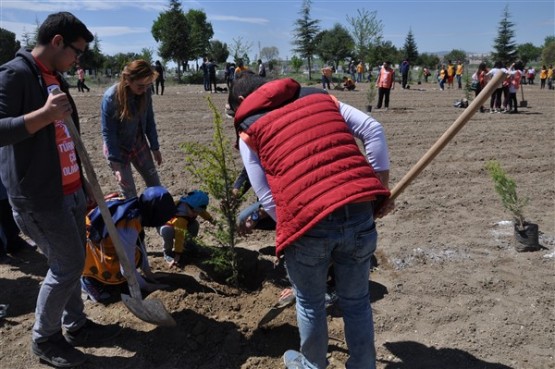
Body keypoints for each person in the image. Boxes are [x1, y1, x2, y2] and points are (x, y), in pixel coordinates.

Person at [229, 73, 394, 369]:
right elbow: (373, 128)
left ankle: (313, 366)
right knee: (356, 300)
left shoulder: (248, 128)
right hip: (358, 209)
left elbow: (266, 197)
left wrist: (294, 233)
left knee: (309, 303)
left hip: (308, 221)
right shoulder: (320, 97)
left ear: (242, 101)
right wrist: (381, 190)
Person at [0, 12, 121, 368]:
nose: (77, 59)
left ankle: (76, 325)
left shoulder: (55, 76)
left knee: (68, 262)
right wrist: (43, 114)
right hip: (38, 195)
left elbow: (64, 135)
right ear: (57, 42)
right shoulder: (15, 74)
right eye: (76, 52)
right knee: (68, 264)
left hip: (69, 188)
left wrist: (81, 181)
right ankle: (44, 338)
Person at [81, 186, 176, 302]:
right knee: (111, 287)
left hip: (106, 241)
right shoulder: (128, 227)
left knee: (136, 257)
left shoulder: (137, 209)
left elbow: (139, 242)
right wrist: (146, 286)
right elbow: (126, 268)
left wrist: (148, 273)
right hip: (88, 248)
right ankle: (90, 281)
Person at [101, 59, 163, 199]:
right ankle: (135, 220)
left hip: (138, 142)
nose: (145, 90)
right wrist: (116, 165)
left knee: (156, 187)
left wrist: (155, 147)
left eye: (148, 85)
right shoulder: (111, 98)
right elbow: (108, 133)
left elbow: (149, 121)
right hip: (118, 148)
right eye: (140, 86)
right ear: (127, 79)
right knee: (130, 195)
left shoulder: (146, 93)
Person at [158, 190, 214, 268]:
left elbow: (202, 212)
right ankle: (168, 252)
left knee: (195, 224)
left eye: (198, 212)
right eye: (195, 212)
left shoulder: (193, 206)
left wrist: (211, 220)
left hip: (183, 226)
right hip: (169, 227)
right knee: (167, 231)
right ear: (189, 206)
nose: (196, 214)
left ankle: (188, 246)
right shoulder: (181, 216)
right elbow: (179, 236)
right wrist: (177, 255)